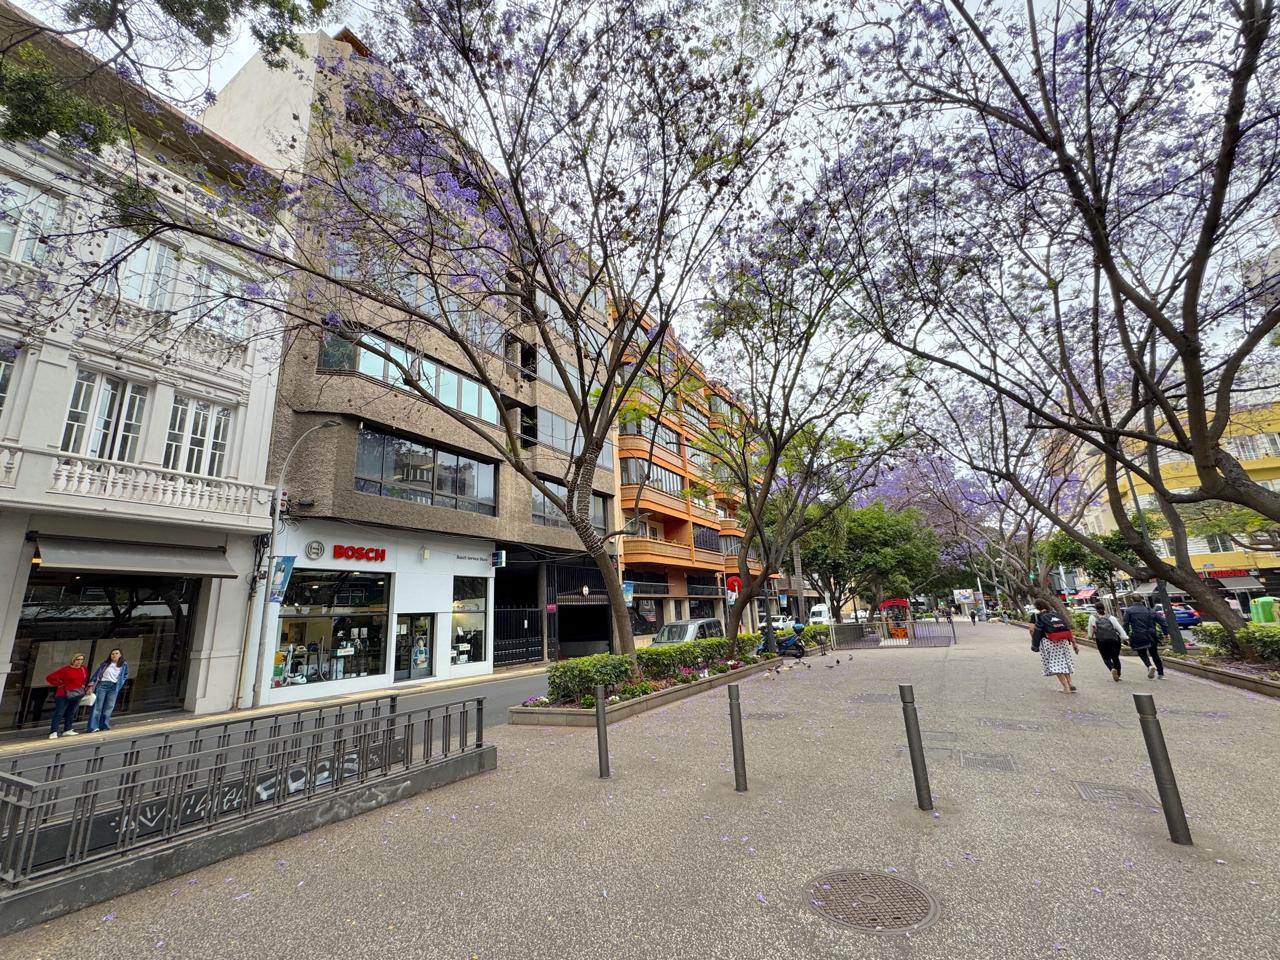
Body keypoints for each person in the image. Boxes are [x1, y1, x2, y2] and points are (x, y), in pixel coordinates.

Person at [1031, 599, 1080, 694]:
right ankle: (1070, 683)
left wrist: (1035, 642)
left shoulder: (1037, 616)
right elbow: (1066, 628)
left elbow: (1031, 629)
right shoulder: (1056, 614)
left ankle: (1066, 687)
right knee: (1064, 662)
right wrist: (1073, 643)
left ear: (1037, 607)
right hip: (1063, 641)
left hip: (1049, 641)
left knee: (1055, 664)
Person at [45, 653, 88, 739]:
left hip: (77, 693)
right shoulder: (66, 669)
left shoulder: (83, 669)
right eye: (77, 659)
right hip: (63, 694)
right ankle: (53, 731)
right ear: (73, 660)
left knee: (71, 712)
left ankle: (67, 729)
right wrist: (59, 684)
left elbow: (84, 679)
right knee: (59, 713)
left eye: (81, 659)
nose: (79, 661)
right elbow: (50, 677)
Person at [87, 648, 129, 732]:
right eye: (112, 653)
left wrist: (120, 684)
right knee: (98, 706)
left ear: (120, 655)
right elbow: (96, 675)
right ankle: (93, 727)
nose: (114, 655)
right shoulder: (105, 664)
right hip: (102, 685)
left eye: (116, 653)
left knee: (109, 706)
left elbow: (125, 675)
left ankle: (104, 725)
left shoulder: (124, 665)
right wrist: (91, 686)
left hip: (114, 686)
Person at [1122, 602, 1167, 679]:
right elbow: (1163, 621)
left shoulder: (1129, 611)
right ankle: (1161, 673)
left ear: (1132, 600)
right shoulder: (1150, 610)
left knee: (1142, 653)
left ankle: (1149, 666)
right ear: (1142, 600)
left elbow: (1126, 624)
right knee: (1154, 654)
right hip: (1151, 634)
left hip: (1139, 634)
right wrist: (1165, 633)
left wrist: (1125, 636)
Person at [1087, 602, 1128, 682]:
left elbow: (1090, 629)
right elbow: (1119, 628)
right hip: (1114, 640)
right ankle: (1118, 674)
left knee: (1106, 657)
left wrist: (1090, 636)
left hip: (1101, 640)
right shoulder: (1111, 617)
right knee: (1115, 657)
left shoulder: (1092, 617)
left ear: (1095, 609)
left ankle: (1112, 668)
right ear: (1104, 608)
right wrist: (1125, 637)